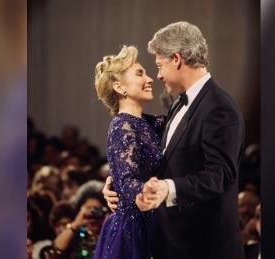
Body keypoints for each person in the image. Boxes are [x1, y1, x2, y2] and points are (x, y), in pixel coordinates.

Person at [103, 21, 245, 259]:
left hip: (204, 248)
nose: (156, 75)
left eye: (159, 66)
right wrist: (117, 184)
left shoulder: (219, 108)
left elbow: (221, 174)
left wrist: (167, 188)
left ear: (176, 59)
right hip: (171, 243)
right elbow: (156, 158)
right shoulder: (177, 104)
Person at [92, 46, 165, 259]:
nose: (150, 78)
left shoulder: (148, 123)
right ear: (120, 87)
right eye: (140, 73)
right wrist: (164, 191)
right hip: (133, 231)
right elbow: (127, 182)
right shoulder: (122, 126)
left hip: (148, 222)